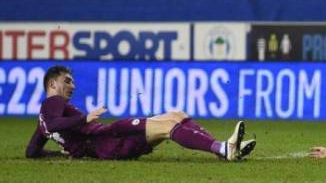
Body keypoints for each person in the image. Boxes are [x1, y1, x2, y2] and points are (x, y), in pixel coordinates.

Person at [26, 66, 256, 161]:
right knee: (168, 127)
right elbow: (56, 122)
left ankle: (221, 148)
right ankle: (225, 150)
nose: (72, 85)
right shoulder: (53, 104)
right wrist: (84, 119)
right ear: (51, 85)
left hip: (110, 137)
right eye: (66, 81)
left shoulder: (42, 121)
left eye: (73, 81)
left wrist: (66, 152)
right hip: (109, 141)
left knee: (176, 114)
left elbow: (31, 151)